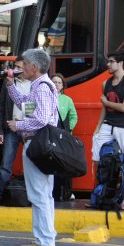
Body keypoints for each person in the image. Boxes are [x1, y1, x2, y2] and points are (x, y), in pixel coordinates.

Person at [6, 49, 58, 246]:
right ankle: (46, 236)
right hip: (40, 144)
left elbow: (42, 119)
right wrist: (11, 86)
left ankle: (44, 240)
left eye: (24, 64)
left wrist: (18, 125)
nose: (21, 68)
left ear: (34, 67)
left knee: (38, 194)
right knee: (44, 193)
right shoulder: (39, 86)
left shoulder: (42, 88)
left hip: (37, 144)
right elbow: (25, 105)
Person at [0, 57, 30, 206]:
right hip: (11, 128)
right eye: (15, 66)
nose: (16, 70)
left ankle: (30, 196)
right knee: (6, 163)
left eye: (20, 67)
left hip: (29, 129)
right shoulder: (8, 84)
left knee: (31, 164)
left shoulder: (35, 84)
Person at [92, 51, 124, 165]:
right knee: (97, 158)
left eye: (111, 62)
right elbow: (104, 108)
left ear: (120, 63)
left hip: (122, 126)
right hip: (107, 125)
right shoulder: (105, 83)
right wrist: (97, 127)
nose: (108, 64)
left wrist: (106, 102)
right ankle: (100, 182)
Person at [51, 73, 78, 201]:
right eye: (54, 82)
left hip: (63, 138)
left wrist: (68, 130)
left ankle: (64, 192)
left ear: (62, 86)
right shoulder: (45, 97)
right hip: (49, 137)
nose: (56, 84)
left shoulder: (67, 100)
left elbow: (74, 116)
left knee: (63, 166)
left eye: (59, 83)